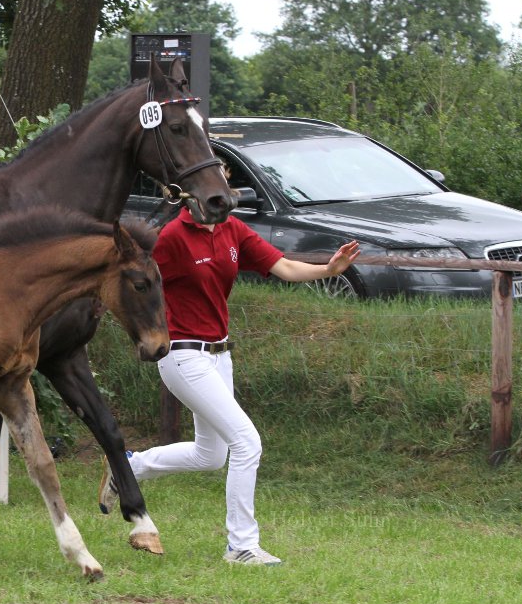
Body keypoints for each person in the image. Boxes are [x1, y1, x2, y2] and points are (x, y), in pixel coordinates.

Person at [100, 206, 361, 566]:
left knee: (211, 456)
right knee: (247, 442)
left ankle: (128, 467)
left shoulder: (232, 229)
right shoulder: (175, 236)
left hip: (220, 355)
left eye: (225, 183)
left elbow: (282, 266)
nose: (220, 192)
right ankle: (240, 545)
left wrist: (328, 270)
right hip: (183, 356)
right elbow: (133, 280)